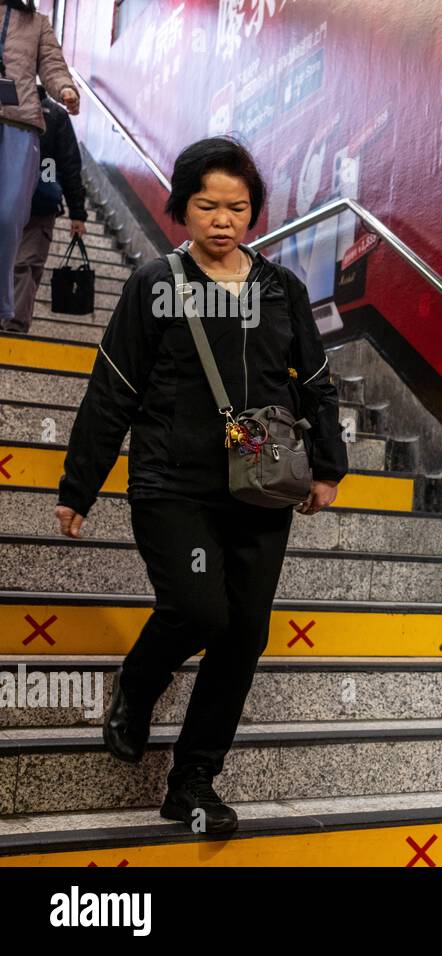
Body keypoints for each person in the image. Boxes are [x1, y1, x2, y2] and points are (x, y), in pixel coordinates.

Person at [54, 136, 350, 836]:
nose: (223, 220)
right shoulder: (156, 285)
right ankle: (138, 684)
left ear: (253, 212)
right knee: (199, 611)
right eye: (208, 206)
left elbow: (314, 381)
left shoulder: (280, 291)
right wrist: (78, 487)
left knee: (244, 632)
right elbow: (112, 391)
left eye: (238, 208)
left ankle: (192, 780)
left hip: (260, 487)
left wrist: (329, 466)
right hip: (173, 482)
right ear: (182, 207)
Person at [0, 0, 79, 330]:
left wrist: (65, 89)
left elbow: (52, 64)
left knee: (7, 218)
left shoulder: (37, 22)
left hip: (20, 126)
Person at [4, 80, 87, 333]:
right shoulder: (9, 107)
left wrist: (77, 213)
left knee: (25, 264)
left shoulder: (56, 116)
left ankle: (13, 327)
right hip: (18, 197)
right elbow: (70, 166)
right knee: (19, 263)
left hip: (39, 204)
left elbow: (70, 164)